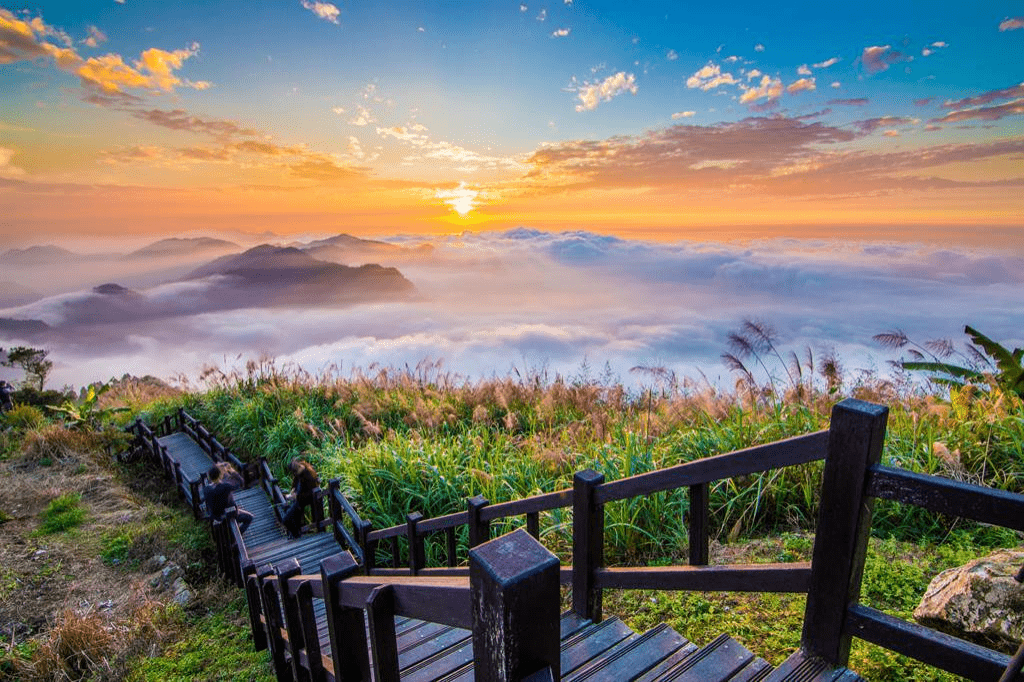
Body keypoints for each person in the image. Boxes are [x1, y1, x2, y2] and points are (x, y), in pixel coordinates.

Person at [204, 464, 253, 534]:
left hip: (216, 516)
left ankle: (233, 533)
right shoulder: (224, 487)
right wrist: (232, 471)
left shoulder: (206, 489)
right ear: (220, 475)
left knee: (238, 509)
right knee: (250, 517)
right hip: (228, 515)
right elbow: (241, 482)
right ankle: (235, 536)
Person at [282, 458, 318, 538]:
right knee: (285, 507)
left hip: (303, 500)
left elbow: (310, 494)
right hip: (298, 500)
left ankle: (297, 536)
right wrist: (293, 491)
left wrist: (297, 496)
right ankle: (296, 533)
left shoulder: (308, 476)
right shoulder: (299, 474)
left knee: (286, 520)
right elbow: (295, 485)